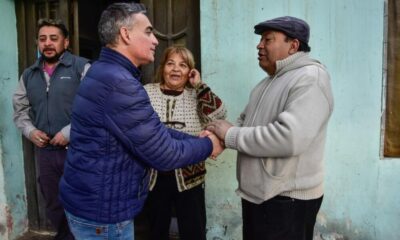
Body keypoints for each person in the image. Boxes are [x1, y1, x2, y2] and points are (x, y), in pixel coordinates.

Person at [58, 3, 223, 240]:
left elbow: (153, 130)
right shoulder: (120, 83)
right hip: (103, 216)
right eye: (148, 31)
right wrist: (210, 145)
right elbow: (164, 153)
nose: (155, 40)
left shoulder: (105, 72)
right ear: (125, 34)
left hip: (95, 202)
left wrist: (195, 139)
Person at [206, 16, 334, 240]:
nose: (259, 45)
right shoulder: (266, 83)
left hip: (287, 201)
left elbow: (289, 136)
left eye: (268, 39)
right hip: (260, 197)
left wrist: (229, 135)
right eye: (261, 40)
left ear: (293, 46)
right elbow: (245, 122)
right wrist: (220, 139)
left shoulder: (310, 78)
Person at [12, 18, 90, 240]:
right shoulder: (29, 74)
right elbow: (20, 110)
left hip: (78, 151)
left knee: (81, 201)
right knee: (53, 203)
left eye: (54, 39)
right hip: (45, 154)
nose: (47, 43)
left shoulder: (82, 67)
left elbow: (96, 108)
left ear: (65, 42)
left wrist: (68, 132)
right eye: (43, 39)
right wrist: (30, 131)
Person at [144, 45, 227, 240]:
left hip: (189, 176)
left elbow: (220, 115)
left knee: (193, 230)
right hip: (154, 175)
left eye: (182, 65)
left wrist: (199, 86)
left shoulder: (195, 94)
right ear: (162, 67)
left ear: (190, 71)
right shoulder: (147, 92)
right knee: (156, 230)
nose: (175, 69)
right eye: (170, 63)